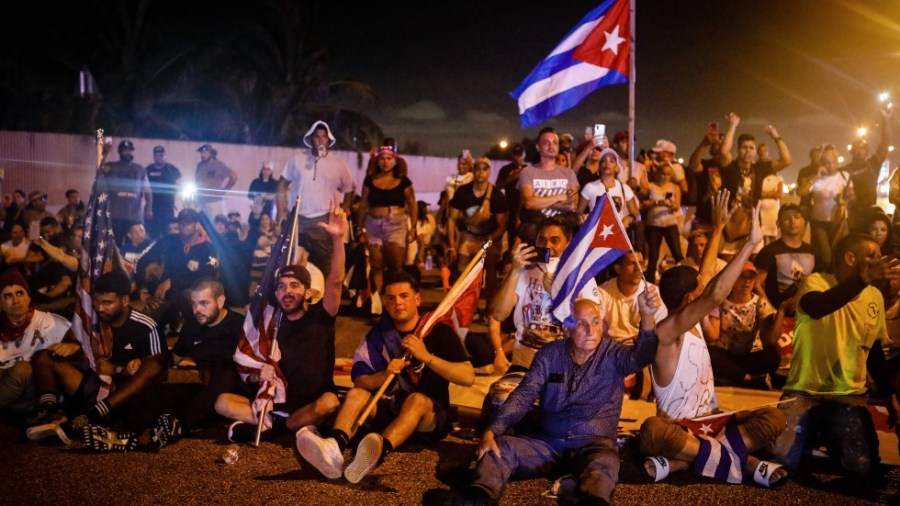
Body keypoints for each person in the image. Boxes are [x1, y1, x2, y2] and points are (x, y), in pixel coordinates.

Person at [446, 294, 659, 505]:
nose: (591, 331)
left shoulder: (613, 354)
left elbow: (643, 356)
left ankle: (593, 502)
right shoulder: (549, 354)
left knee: (605, 463)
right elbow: (524, 394)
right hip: (546, 442)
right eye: (582, 324)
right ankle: (478, 497)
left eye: (595, 323)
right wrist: (491, 431)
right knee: (501, 447)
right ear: (567, 329)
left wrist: (647, 317)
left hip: (593, 443)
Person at [639, 195, 789, 488]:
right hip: (677, 430)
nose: (705, 283)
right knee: (652, 431)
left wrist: (719, 226)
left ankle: (684, 462)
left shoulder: (690, 320)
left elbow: (707, 274)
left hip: (713, 424)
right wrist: (749, 245)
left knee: (774, 417)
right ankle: (745, 463)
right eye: (699, 290)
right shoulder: (666, 333)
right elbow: (715, 294)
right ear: (689, 300)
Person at [294, 271, 473, 483]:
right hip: (390, 408)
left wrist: (425, 356)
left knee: (416, 400)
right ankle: (334, 446)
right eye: (391, 298)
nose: (398, 302)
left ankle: (378, 451)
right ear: (385, 303)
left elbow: (467, 376)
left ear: (417, 299)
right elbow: (360, 381)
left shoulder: (438, 330)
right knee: (357, 393)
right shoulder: (377, 335)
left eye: (404, 296)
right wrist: (386, 374)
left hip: (429, 417)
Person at [772, 233, 900, 478]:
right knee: (782, 461)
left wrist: (888, 397)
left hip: (847, 398)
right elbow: (818, 307)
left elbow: (871, 350)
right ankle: (816, 435)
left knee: (862, 467)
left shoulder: (874, 296)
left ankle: (827, 435)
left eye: (879, 255)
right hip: (803, 393)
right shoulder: (815, 281)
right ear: (850, 258)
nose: (878, 261)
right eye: (871, 256)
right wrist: (864, 279)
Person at [215, 203, 347, 439]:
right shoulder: (269, 323)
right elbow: (251, 368)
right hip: (278, 404)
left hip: (312, 403)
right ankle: (286, 427)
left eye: (295, 286)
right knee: (222, 403)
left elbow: (335, 283)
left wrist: (337, 240)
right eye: (281, 287)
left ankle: (274, 432)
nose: (287, 292)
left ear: (308, 292)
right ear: (275, 293)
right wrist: (258, 376)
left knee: (329, 403)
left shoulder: (321, 315)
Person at [26, 271, 170, 450]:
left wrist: (118, 370)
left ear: (124, 301)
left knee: (152, 367)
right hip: (96, 387)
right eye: (96, 301)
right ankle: (49, 411)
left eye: (107, 303)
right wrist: (75, 347)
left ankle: (92, 419)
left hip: (125, 398)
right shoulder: (91, 320)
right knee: (44, 356)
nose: (100, 308)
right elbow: (77, 350)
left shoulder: (145, 326)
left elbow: (158, 373)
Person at [491, 216, 599, 371]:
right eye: (542, 240)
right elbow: (498, 314)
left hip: (562, 365)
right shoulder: (524, 269)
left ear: (568, 244)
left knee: (552, 393)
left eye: (555, 240)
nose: (547, 245)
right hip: (524, 362)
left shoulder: (581, 275)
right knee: (500, 395)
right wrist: (514, 271)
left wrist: (559, 294)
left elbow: (591, 324)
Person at [277, 121, 355, 274]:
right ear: (310, 139)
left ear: (329, 139)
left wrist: (342, 210)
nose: (320, 140)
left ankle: (323, 296)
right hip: (298, 218)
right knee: (293, 261)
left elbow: (350, 189)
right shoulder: (297, 160)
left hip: (324, 220)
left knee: (324, 262)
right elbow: (281, 185)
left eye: (324, 137)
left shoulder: (339, 164)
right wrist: (281, 212)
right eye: (317, 137)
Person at [170, 279, 244, 433]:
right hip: (204, 390)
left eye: (204, 303)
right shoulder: (191, 327)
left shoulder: (241, 327)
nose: (197, 309)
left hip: (235, 396)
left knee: (228, 374)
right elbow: (172, 359)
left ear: (220, 301)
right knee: (162, 393)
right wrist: (144, 363)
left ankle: (181, 426)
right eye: (194, 303)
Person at [0, 268, 75, 417]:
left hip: (32, 397)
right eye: (8, 296)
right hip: (7, 393)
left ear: (28, 297)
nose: (16, 300)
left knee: (23, 369)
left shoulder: (51, 322)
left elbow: (84, 348)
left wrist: (73, 346)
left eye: (20, 293)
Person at [357, 144, 416, 315]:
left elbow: (412, 203)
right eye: (382, 158)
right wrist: (359, 227)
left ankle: (395, 302)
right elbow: (363, 204)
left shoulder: (404, 181)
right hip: (373, 225)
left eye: (389, 158)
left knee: (396, 267)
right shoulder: (369, 180)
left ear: (395, 161)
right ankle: (382, 304)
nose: (385, 162)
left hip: (396, 226)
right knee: (376, 265)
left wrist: (413, 229)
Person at [705, 261, 781, 389]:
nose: (747, 282)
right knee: (709, 354)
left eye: (750, 278)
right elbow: (713, 336)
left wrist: (781, 312)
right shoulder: (721, 302)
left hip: (749, 356)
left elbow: (769, 340)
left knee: (772, 357)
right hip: (726, 355)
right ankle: (748, 379)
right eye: (742, 277)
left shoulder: (759, 303)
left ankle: (736, 377)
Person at [447, 157, 508, 314]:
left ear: (489, 172)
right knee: (462, 271)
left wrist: (491, 239)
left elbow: (502, 225)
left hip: (489, 239)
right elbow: (451, 219)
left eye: (484, 169)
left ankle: (491, 311)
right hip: (469, 236)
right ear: (473, 171)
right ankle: (463, 310)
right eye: (478, 168)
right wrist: (452, 245)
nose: (481, 172)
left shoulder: (496, 196)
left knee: (490, 267)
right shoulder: (462, 192)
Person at [516, 127, 579, 245]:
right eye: (546, 142)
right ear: (538, 147)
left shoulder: (569, 173)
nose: (551, 146)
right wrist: (559, 197)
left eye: (555, 142)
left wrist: (539, 200)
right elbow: (529, 203)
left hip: (561, 238)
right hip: (535, 236)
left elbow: (572, 205)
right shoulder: (528, 172)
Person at [717, 113, 792, 211]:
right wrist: (732, 126)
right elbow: (723, 152)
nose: (748, 151)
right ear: (738, 150)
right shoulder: (730, 166)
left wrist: (776, 136)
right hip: (729, 220)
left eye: (751, 148)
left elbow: (787, 161)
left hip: (753, 219)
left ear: (755, 151)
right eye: (744, 147)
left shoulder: (759, 168)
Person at [753, 203, 819, 309]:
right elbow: (756, 284)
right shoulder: (768, 251)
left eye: (797, 217)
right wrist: (771, 310)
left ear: (804, 222)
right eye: (787, 218)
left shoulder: (813, 252)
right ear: (778, 223)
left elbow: (818, 283)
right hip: (777, 314)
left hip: (805, 314)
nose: (793, 221)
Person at [844, 106, 892, 231]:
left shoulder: (873, 164)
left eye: (862, 148)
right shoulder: (845, 170)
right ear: (852, 152)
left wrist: (885, 119)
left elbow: (885, 143)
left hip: (870, 211)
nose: (859, 151)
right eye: (856, 149)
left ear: (866, 151)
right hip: (851, 214)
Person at [805, 145, 853, 267]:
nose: (830, 165)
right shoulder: (817, 178)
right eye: (826, 162)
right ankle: (824, 280)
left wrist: (845, 197)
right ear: (821, 163)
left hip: (840, 222)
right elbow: (801, 192)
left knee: (840, 254)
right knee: (825, 256)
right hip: (820, 223)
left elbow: (851, 196)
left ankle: (838, 282)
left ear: (838, 162)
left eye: (833, 162)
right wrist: (816, 176)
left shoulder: (844, 175)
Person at [102, 140, 153, 243]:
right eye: (124, 150)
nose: (127, 153)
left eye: (129, 150)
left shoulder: (140, 169)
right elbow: (100, 171)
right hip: (115, 215)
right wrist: (105, 154)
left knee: (136, 245)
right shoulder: (111, 166)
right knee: (114, 245)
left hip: (134, 216)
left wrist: (149, 208)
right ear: (119, 152)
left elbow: (148, 190)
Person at [577, 148, 639, 230]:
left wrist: (628, 219)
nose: (607, 164)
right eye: (604, 161)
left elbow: (637, 215)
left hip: (617, 236)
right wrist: (584, 218)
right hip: (595, 235)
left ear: (616, 167)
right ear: (599, 166)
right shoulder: (590, 187)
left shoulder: (624, 188)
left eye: (611, 161)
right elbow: (578, 214)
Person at [642, 160, 683, 282]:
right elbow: (643, 204)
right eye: (663, 173)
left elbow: (677, 206)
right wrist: (657, 203)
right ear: (658, 173)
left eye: (669, 174)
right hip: (654, 225)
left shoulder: (674, 187)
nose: (666, 177)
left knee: (677, 252)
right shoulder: (651, 186)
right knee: (653, 255)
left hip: (670, 223)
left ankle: (682, 278)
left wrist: (671, 205)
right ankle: (649, 282)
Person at [145, 145, 182, 240]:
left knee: (167, 233)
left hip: (167, 207)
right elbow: (144, 188)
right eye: (157, 155)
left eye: (161, 155)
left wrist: (177, 200)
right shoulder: (148, 170)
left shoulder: (172, 170)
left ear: (164, 155)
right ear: (154, 156)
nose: (159, 157)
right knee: (153, 234)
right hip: (152, 208)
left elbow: (180, 186)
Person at [495, 143, 527, 251]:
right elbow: (498, 186)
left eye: (520, 155)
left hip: (526, 207)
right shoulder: (506, 169)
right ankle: (509, 257)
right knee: (511, 235)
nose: (518, 158)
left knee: (525, 234)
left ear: (524, 155)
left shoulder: (529, 170)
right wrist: (511, 178)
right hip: (510, 206)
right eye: (516, 155)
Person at [194, 144, 237, 218]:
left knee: (216, 225)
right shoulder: (199, 165)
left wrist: (225, 190)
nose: (202, 154)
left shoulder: (218, 165)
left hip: (215, 202)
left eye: (205, 152)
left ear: (210, 153)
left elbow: (234, 176)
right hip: (201, 202)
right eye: (201, 152)